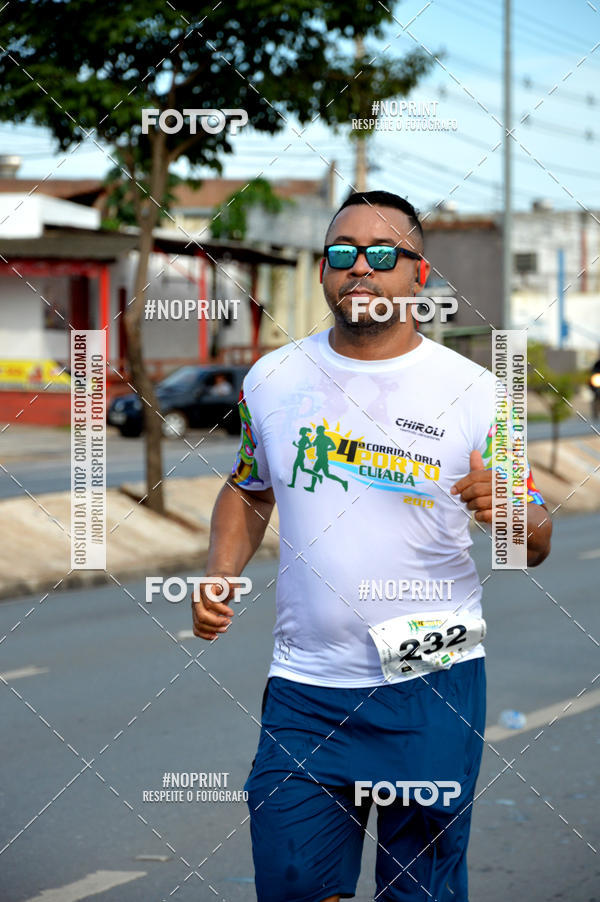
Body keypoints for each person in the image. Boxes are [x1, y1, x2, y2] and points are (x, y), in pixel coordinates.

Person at [191, 190, 552, 902]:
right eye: (342, 253)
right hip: (305, 688)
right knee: (293, 882)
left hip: (432, 683)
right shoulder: (272, 377)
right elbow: (248, 488)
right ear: (323, 271)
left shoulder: (479, 393)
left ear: (419, 275)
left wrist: (511, 512)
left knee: (416, 892)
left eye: (383, 255)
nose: (361, 268)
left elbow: (535, 535)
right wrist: (219, 573)